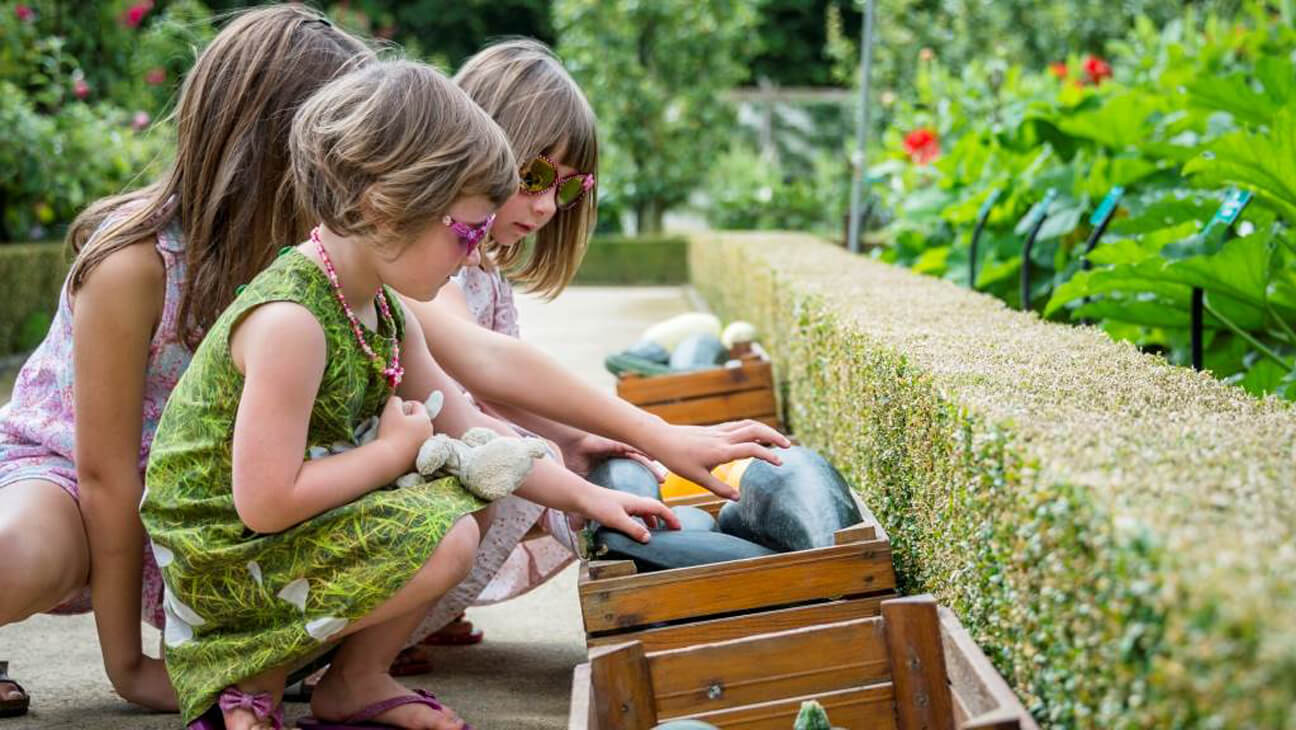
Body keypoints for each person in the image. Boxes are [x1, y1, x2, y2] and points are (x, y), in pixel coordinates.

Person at [138, 58, 681, 730]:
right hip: (220, 555)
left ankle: (356, 681)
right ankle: (248, 689)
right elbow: (265, 501)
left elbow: (482, 436)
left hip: (276, 538)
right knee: (445, 531)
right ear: (383, 204)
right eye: (465, 233)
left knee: (471, 487)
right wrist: (394, 452)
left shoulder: (384, 311)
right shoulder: (293, 322)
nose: (473, 255)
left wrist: (593, 497)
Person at [0, 5, 374, 716]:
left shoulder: (317, 256)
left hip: (201, 505)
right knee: (24, 556)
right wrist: (129, 668)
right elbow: (104, 475)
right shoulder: (135, 262)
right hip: (68, 480)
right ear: (275, 148)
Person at [395, 38, 790, 667]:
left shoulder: (482, 269)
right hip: (380, 476)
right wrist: (658, 433)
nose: (549, 205)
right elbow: (482, 362)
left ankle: (414, 616)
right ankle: (368, 640)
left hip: (436, 447)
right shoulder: (419, 252)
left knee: (549, 459)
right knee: (516, 464)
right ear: (475, 145)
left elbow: (495, 391)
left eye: (569, 189)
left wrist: (575, 439)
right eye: (535, 177)